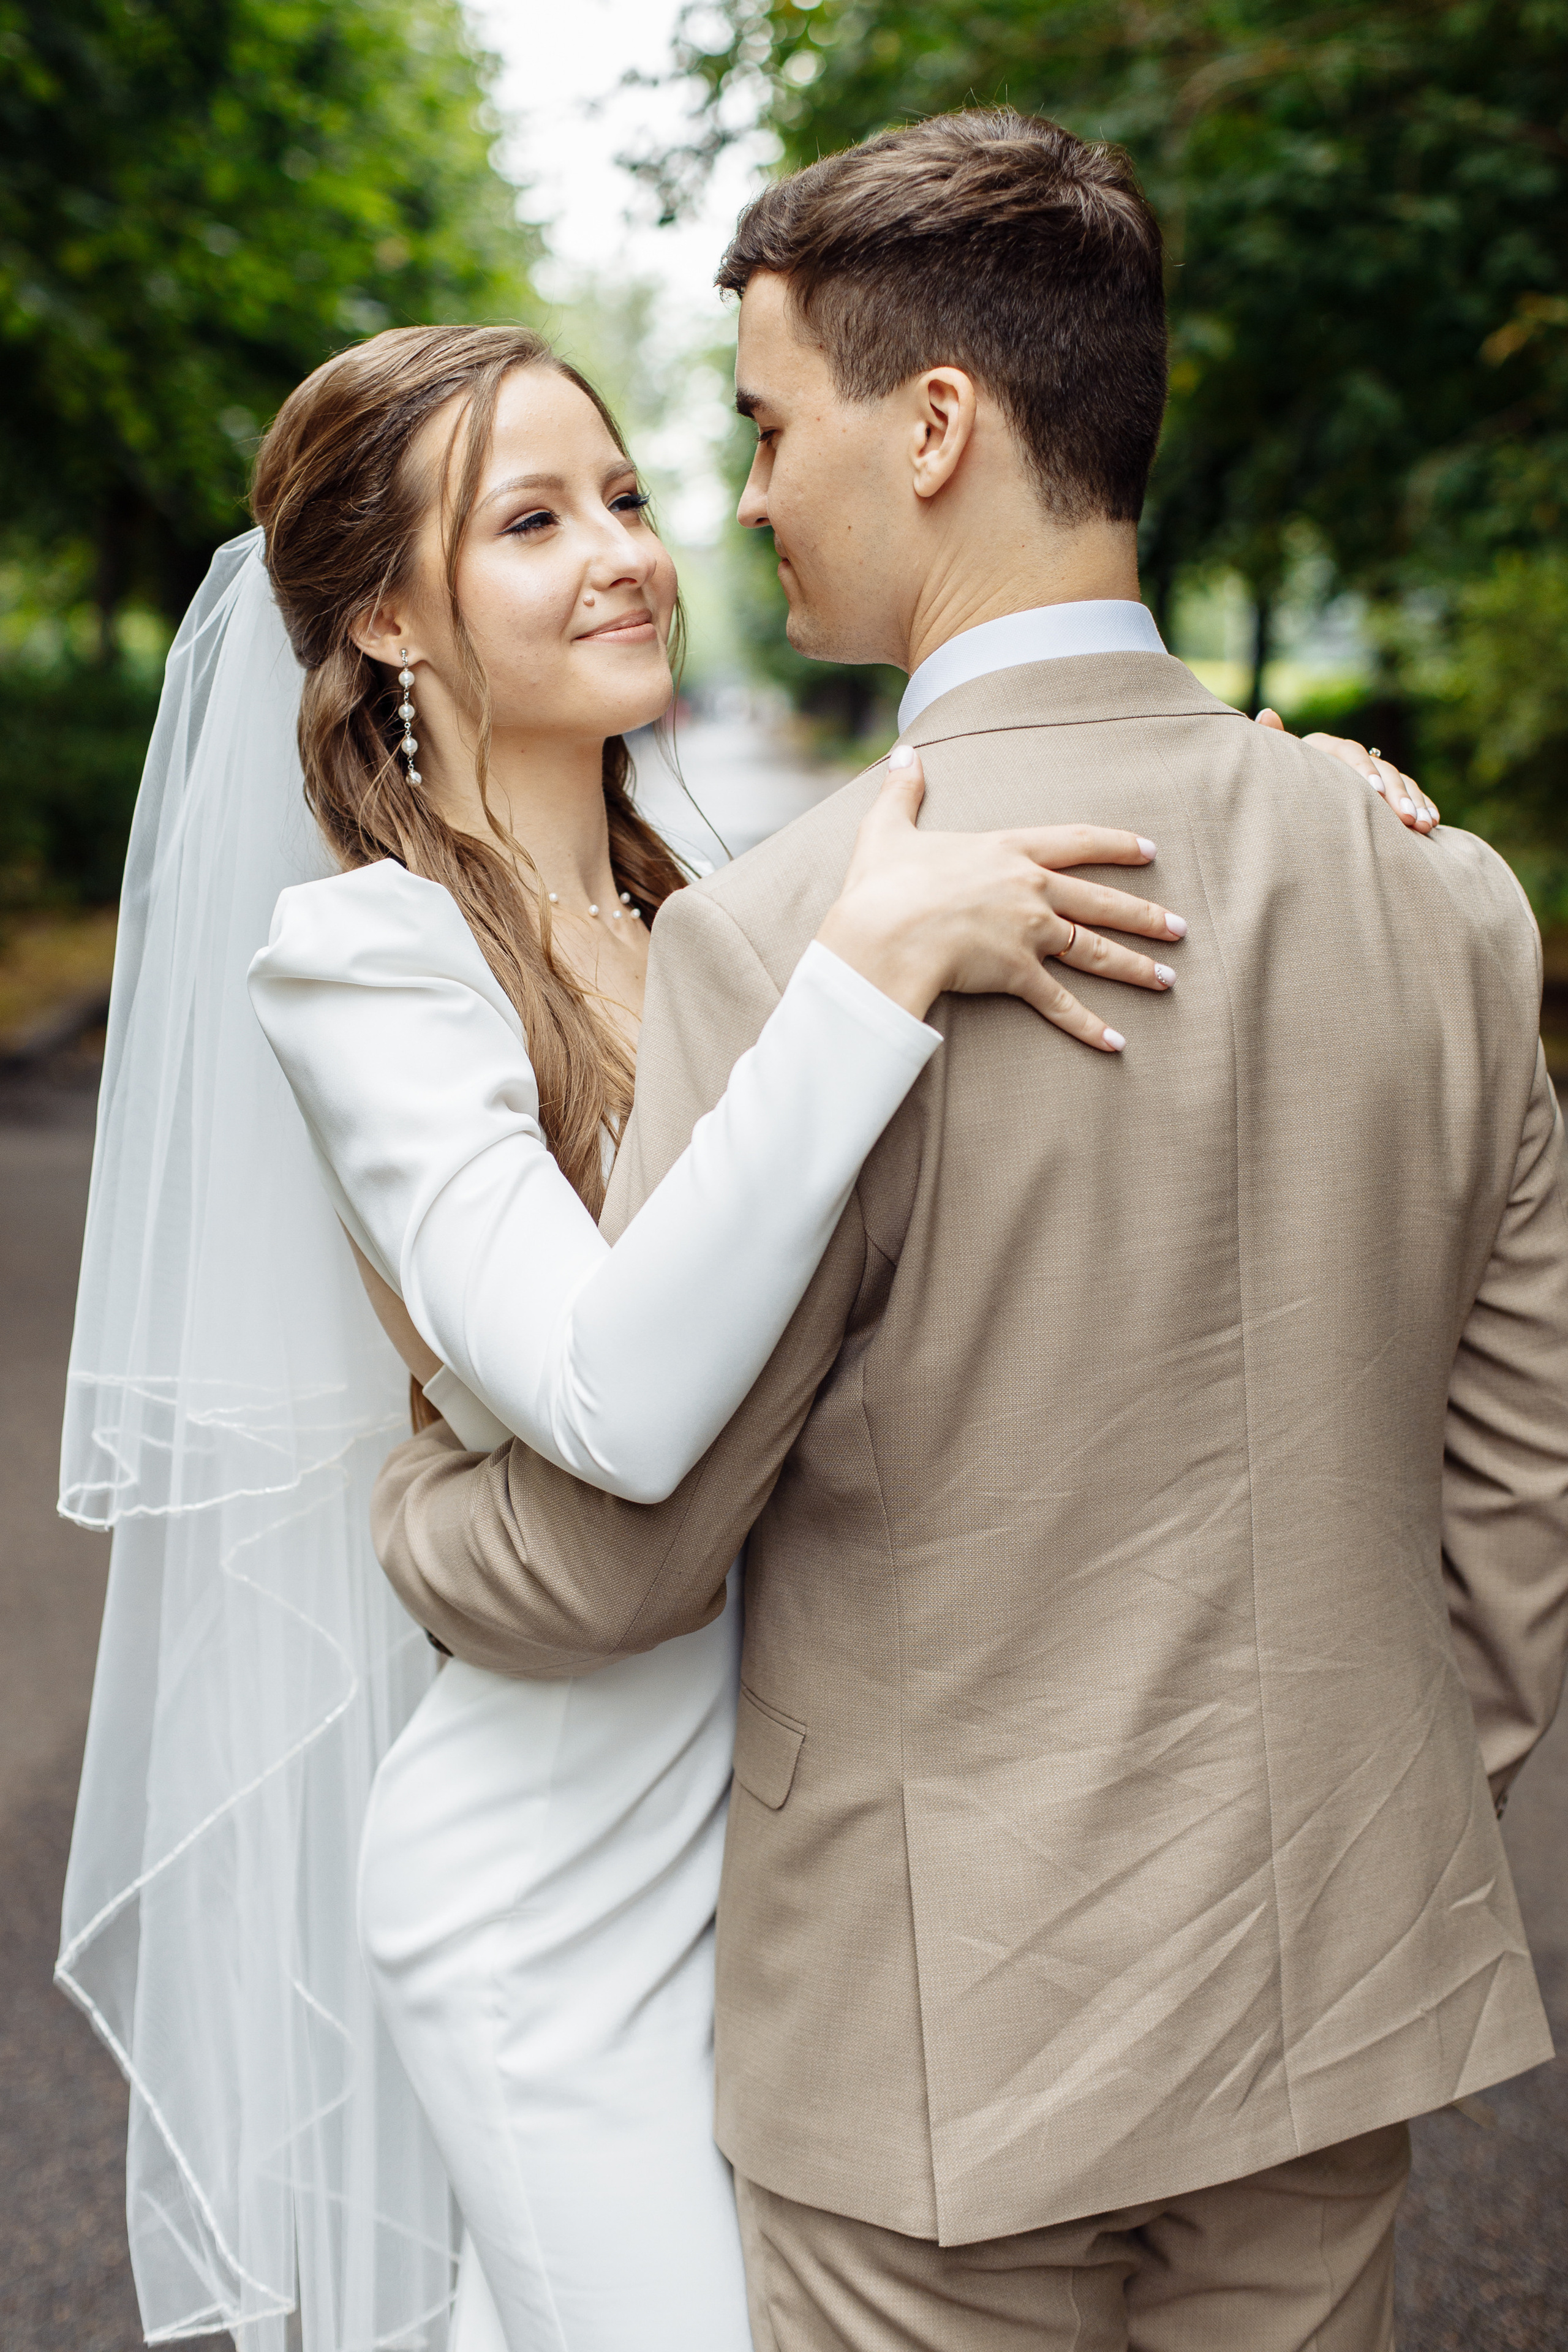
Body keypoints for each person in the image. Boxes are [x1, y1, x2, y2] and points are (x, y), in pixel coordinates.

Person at [370, 111, 1568, 2352]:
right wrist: (1354, 1817)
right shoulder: (1445, 893)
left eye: (764, 427)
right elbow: (1520, 1493)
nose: (741, 501)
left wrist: (409, 1500)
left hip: (938, 2052)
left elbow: (629, 1556)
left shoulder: (790, 939)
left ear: (931, 430)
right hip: (1330, 1994)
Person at [57, 315, 1215, 2352]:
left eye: (625, 495)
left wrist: (1296, 797)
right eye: (530, 522)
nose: (623, 553)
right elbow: (612, 1395)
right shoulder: (371, 962)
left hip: (791, 1876)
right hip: (557, 1900)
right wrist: (864, 981)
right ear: (388, 620)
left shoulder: (725, 920)